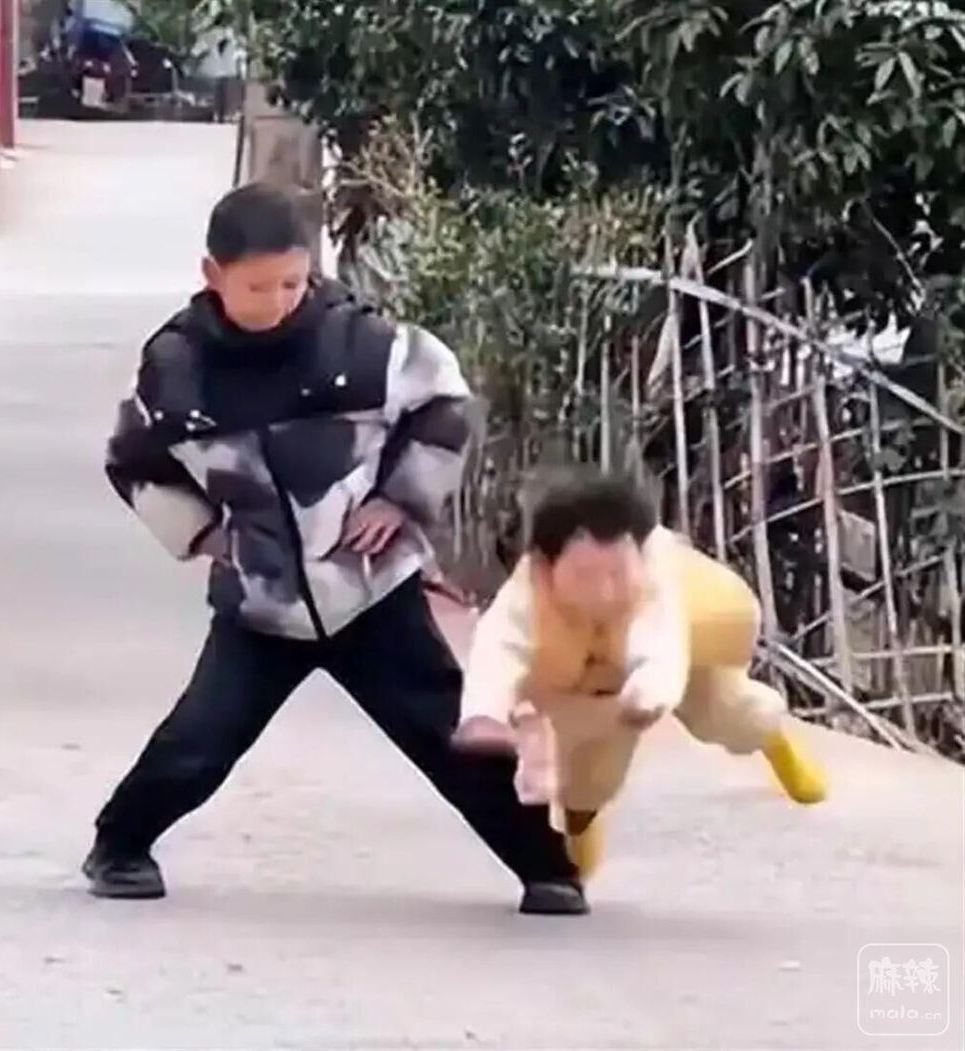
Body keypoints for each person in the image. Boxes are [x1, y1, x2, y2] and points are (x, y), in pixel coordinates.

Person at [83, 183, 586, 916]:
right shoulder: (175, 367)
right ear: (212, 274)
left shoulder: (365, 345)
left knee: (449, 734)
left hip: (371, 591)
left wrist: (402, 499)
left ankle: (548, 866)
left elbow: (446, 404)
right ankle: (119, 846)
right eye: (258, 287)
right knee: (201, 736)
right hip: (262, 603)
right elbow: (132, 460)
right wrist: (204, 534)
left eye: (293, 282)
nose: (278, 300)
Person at [452, 469, 828, 880]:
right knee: (584, 774)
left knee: (729, 713)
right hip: (583, 681)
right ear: (546, 565)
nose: (605, 592)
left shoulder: (655, 577)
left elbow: (660, 643)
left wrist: (648, 693)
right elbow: (498, 647)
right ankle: (576, 848)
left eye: (616, 575)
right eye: (585, 577)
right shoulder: (527, 592)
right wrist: (483, 714)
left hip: (676, 649)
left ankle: (776, 742)